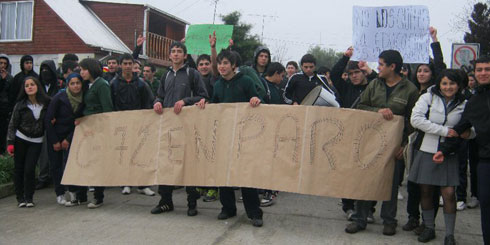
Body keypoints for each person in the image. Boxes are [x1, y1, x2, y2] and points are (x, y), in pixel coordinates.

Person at [345, 50, 419, 236]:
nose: (377, 68)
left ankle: (389, 220)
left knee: (391, 184)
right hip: (370, 142)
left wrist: (404, 146)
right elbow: (361, 107)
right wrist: (379, 110)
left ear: (392, 67)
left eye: (381, 64)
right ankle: (360, 219)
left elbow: (413, 121)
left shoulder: (410, 89)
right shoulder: (374, 85)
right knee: (365, 181)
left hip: (395, 146)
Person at [198, 49, 264, 227]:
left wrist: (256, 100)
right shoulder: (218, 84)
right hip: (224, 136)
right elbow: (215, 105)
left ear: (234, 65)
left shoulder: (246, 81)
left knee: (246, 175)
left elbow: (261, 99)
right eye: (219, 63)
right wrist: (206, 103)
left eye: (226, 63)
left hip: (245, 137)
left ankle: (254, 213)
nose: (221, 66)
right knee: (223, 174)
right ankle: (228, 208)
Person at [433, 56, 490, 245]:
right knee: (486, 206)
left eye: (487, 69)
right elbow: (460, 128)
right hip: (485, 161)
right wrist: (445, 149)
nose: (483, 73)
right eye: (479, 70)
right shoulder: (473, 101)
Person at [408, 69, 467, 244]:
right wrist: (445, 131)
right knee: (426, 191)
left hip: (450, 153)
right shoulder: (428, 97)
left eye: (452, 83)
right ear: (439, 84)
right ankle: (429, 228)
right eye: (444, 83)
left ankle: (450, 234)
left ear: (459, 85)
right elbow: (416, 119)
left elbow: (471, 129)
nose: (448, 87)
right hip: (426, 149)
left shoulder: (465, 103)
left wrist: (467, 133)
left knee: (449, 194)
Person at [150, 42, 208, 217]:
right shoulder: (165, 75)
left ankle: (191, 203)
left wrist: (185, 102)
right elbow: (159, 95)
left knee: (188, 164)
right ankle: (165, 202)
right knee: (165, 164)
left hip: (187, 127)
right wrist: (157, 102)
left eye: (179, 52)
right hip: (168, 127)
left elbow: (203, 96)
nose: (175, 54)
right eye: (173, 52)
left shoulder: (192, 73)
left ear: (184, 56)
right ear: (169, 56)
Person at [403, 27, 447, 233]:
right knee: (413, 183)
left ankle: (427, 222)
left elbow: (440, 66)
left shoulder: (437, 92)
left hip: (433, 141)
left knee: (429, 186)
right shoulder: (411, 89)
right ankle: (413, 217)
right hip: (414, 141)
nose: (421, 73)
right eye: (419, 70)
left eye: (426, 70)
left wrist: (434, 40)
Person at [330, 47, 377, 220]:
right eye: (351, 74)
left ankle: (368, 209)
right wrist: (345, 57)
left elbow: (382, 82)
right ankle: (348, 206)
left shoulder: (374, 87)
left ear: (363, 72)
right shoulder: (346, 87)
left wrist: (370, 72)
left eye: (357, 72)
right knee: (348, 173)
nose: (354, 76)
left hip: (369, 137)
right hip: (348, 137)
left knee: (368, 174)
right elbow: (335, 74)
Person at [111, 54, 155, 196]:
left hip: (139, 125)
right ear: (120, 65)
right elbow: (111, 104)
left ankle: (143, 185)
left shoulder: (142, 84)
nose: (128, 66)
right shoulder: (114, 84)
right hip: (121, 126)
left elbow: (148, 102)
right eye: (125, 63)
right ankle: (126, 183)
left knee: (141, 155)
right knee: (124, 155)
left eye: (130, 63)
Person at [7, 76, 50, 208]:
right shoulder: (20, 105)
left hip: (37, 141)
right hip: (21, 139)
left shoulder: (46, 103)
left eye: (32, 84)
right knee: (19, 168)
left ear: (37, 86)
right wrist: (10, 142)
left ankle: (29, 197)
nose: (30, 87)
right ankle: (20, 198)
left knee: (30, 169)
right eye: (27, 86)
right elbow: (12, 124)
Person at [78, 58, 114, 209]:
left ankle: (98, 196)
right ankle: (83, 195)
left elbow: (107, 109)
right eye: (80, 70)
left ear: (91, 69)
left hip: (98, 129)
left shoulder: (102, 85)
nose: (81, 73)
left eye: (84, 69)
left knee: (97, 163)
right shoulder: (87, 85)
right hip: (86, 129)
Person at [44, 73, 85, 206]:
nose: (75, 86)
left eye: (78, 83)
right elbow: (48, 119)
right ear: (68, 85)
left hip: (72, 135)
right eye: (72, 83)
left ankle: (73, 191)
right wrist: (55, 141)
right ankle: (60, 193)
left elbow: (81, 121)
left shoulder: (84, 99)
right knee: (56, 166)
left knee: (70, 165)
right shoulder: (59, 97)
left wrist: (68, 139)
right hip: (55, 135)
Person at [35, 60, 60, 190]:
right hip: (40, 122)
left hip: (56, 122)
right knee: (43, 153)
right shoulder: (37, 85)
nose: (45, 72)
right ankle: (43, 177)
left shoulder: (58, 85)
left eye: (47, 69)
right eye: (42, 69)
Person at [0, 54, 14, 155]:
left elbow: (11, 94)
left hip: (5, 111)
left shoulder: (10, 78)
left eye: (5, 63)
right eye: (1, 63)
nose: (3, 65)